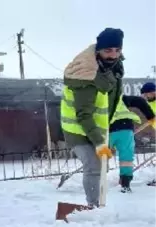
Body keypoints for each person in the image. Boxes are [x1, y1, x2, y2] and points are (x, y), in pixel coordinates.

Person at [60, 28, 155, 204]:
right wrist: (98, 142)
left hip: (98, 127)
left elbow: (113, 100)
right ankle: (93, 209)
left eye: (117, 50)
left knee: (102, 165)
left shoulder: (113, 68)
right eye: (108, 50)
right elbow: (84, 115)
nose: (113, 55)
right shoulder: (85, 76)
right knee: (95, 166)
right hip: (77, 130)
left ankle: (97, 207)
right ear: (98, 51)